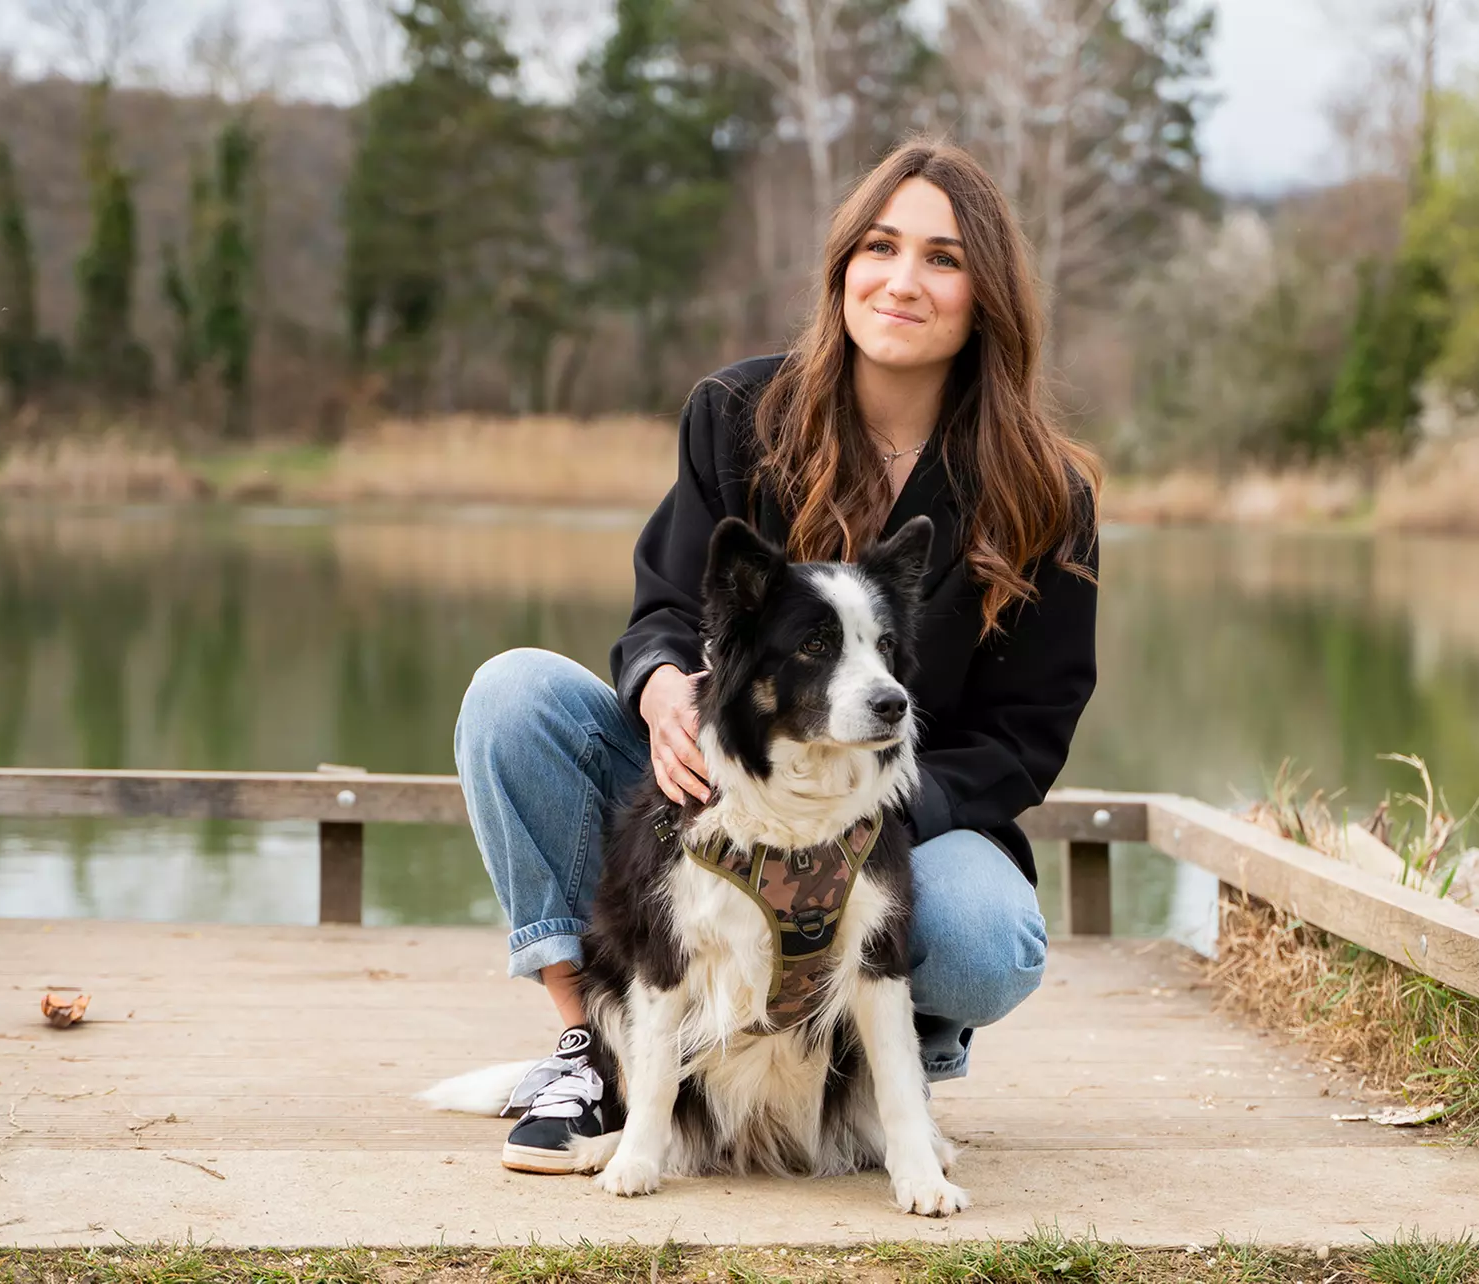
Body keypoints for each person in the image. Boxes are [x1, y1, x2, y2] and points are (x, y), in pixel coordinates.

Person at [454, 137, 1102, 1174]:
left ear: (987, 295)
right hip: (722, 792)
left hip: (898, 814)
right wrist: (659, 686)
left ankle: (878, 1069)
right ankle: (591, 1052)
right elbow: (666, 609)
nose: (902, 281)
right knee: (514, 695)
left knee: (988, 942)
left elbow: (1029, 734)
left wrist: (858, 815)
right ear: (841, 266)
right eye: (879, 247)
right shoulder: (738, 414)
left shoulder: (1043, 491)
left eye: (941, 258)